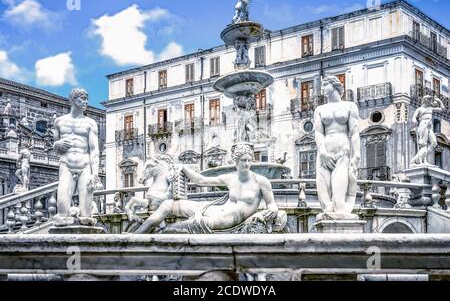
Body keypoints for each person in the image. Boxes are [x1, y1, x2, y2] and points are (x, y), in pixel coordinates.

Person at [133, 143, 279, 234]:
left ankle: (160, 236)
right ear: (236, 161)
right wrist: (183, 167)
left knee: (189, 225)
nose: (247, 164)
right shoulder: (230, 178)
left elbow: (272, 204)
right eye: (243, 160)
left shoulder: (261, 181)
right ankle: (137, 235)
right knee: (168, 204)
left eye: (249, 160)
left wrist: (269, 212)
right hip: (213, 208)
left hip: (227, 219)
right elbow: (201, 180)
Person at [52, 87, 102, 226]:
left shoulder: (90, 123)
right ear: (73, 100)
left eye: (87, 99)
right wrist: (58, 144)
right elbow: (56, 149)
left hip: (85, 165)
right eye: (83, 99)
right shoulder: (59, 122)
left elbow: (94, 150)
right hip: (66, 165)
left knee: (86, 216)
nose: (86, 102)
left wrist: (95, 174)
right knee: (62, 212)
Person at [314, 76, 360, 218]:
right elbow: (318, 132)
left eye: (325, 84)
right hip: (324, 154)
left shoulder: (350, 106)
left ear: (334, 85)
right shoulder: (320, 109)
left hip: (342, 153)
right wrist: (322, 152)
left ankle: (341, 219)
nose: (322, 88)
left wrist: (356, 154)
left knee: (339, 202)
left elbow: (354, 132)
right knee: (325, 200)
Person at [410, 95, 445, 165]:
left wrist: (439, 101)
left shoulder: (431, 108)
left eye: (430, 100)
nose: (430, 101)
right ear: (425, 100)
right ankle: (423, 160)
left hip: (429, 127)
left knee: (434, 143)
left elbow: (442, 109)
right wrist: (414, 120)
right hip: (423, 125)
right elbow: (414, 117)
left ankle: (419, 158)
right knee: (424, 145)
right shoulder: (419, 109)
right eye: (429, 100)